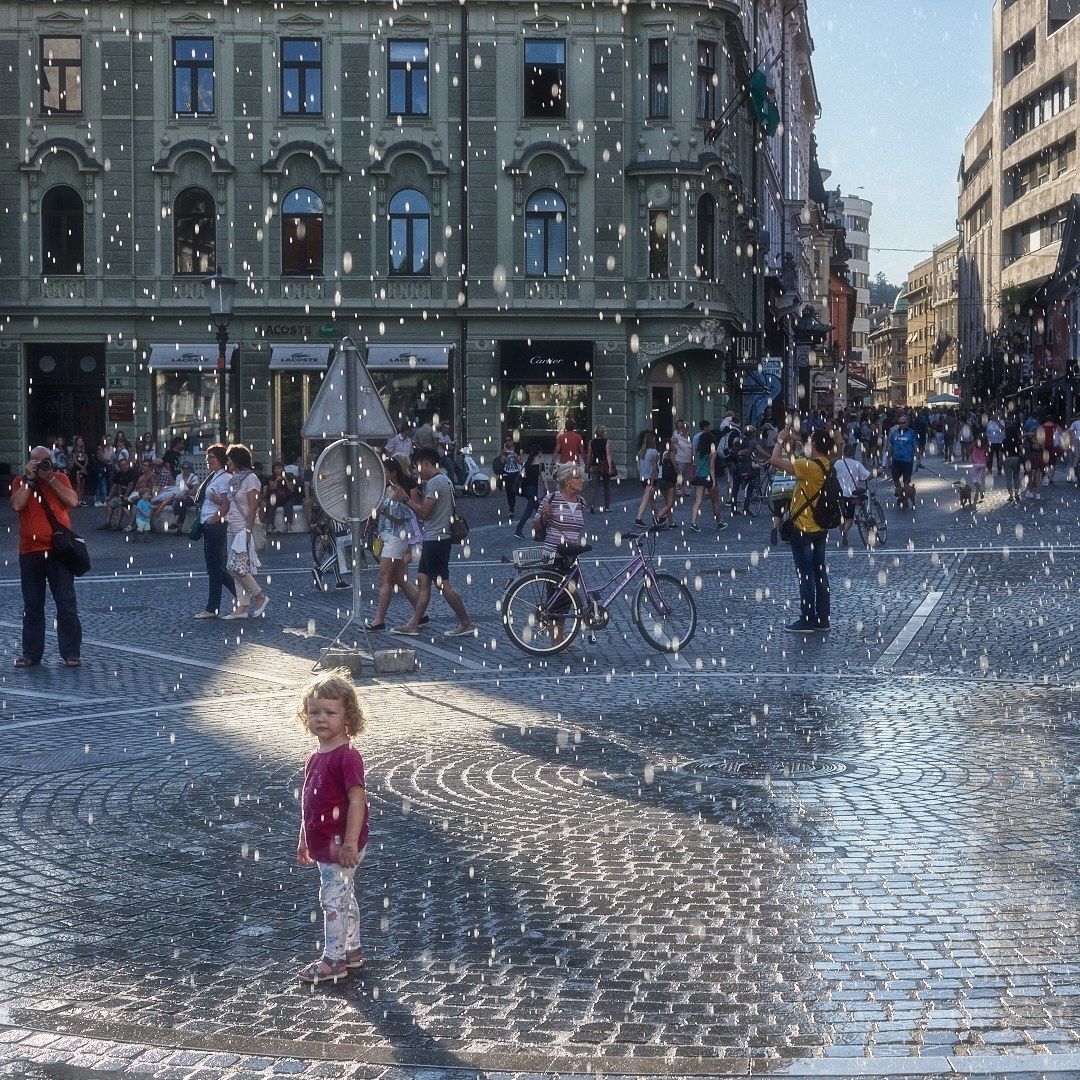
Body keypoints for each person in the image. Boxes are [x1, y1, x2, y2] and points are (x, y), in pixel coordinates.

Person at [295, 668, 369, 985]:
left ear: (348, 716)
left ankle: (333, 958)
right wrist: (304, 839)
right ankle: (351, 950)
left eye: (330, 712)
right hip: (324, 843)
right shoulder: (315, 756)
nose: (321, 719)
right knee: (343, 897)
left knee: (333, 900)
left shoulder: (347, 757)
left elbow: (357, 801)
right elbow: (309, 803)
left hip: (341, 844)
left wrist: (351, 843)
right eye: (314, 713)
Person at [11, 447, 83, 668]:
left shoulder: (59, 478)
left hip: (58, 551)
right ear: (30, 463)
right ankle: (31, 654)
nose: (43, 465)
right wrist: (30, 479)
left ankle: (71, 653)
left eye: (47, 462)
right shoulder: (20, 481)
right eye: (39, 462)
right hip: (30, 552)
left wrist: (50, 479)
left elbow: (73, 501)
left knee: (66, 602)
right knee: (32, 604)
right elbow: (17, 504)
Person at [393, 448, 475, 638]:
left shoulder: (436, 482)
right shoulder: (443, 480)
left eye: (418, 466)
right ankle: (414, 623)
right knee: (423, 581)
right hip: (434, 537)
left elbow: (423, 513)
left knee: (442, 584)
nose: (417, 471)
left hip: (436, 539)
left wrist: (405, 499)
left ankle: (466, 622)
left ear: (426, 463)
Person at [771, 427, 833, 633]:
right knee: (820, 574)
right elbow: (801, 462)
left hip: (803, 529)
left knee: (806, 576)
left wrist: (780, 441)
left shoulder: (809, 467)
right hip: (820, 528)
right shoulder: (825, 465)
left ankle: (807, 618)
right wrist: (797, 443)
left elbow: (775, 461)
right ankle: (823, 618)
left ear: (814, 445)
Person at [366, 459, 422, 632]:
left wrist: (382, 510)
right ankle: (421, 613)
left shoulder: (399, 491)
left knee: (384, 579)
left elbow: (402, 516)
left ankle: (379, 620)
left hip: (396, 537)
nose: (382, 474)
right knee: (399, 579)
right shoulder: (386, 489)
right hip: (387, 535)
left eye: (385, 471)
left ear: (393, 472)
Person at [221, 443, 270, 620]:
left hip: (243, 529)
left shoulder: (251, 479)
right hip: (232, 528)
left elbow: (253, 507)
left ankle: (260, 597)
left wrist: (248, 532)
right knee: (237, 568)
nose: (227, 462)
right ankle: (242, 607)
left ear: (236, 460)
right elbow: (231, 503)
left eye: (229, 458)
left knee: (234, 568)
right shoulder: (233, 479)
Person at [193, 444, 237, 618]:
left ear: (220, 459)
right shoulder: (214, 477)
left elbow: (226, 506)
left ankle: (212, 609)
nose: (208, 460)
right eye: (207, 457)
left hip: (215, 527)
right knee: (215, 568)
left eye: (211, 457)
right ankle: (246, 595)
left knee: (214, 569)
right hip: (209, 525)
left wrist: (213, 520)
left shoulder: (225, 478)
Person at [835, 444, 871, 548]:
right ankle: (845, 532)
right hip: (852, 495)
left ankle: (842, 533)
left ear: (843, 453)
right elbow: (867, 476)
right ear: (854, 453)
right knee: (850, 517)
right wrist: (877, 472)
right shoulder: (857, 464)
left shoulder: (838, 463)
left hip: (840, 494)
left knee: (841, 517)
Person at [97, 457, 136, 531]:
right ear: (119, 466)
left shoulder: (132, 472)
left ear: (128, 464)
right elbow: (114, 486)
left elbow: (131, 486)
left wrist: (124, 497)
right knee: (109, 503)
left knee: (121, 503)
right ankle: (108, 522)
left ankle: (117, 524)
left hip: (132, 496)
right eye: (121, 465)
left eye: (125, 464)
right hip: (122, 496)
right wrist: (109, 496)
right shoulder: (119, 474)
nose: (124, 466)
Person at [514, 445, 545, 538]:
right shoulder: (540, 465)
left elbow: (523, 477)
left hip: (527, 490)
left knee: (539, 511)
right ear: (539, 452)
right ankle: (518, 530)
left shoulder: (527, 464)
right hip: (533, 491)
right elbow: (543, 479)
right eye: (540, 452)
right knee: (534, 512)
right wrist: (547, 489)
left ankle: (542, 531)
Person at [887, 414, 918, 501]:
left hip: (908, 461)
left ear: (907, 423)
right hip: (896, 460)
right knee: (895, 479)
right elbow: (891, 446)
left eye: (903, 423)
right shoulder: (895, 433)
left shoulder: (911, 433)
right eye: (900, 423)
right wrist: (888, 458)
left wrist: (918, 459)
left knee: (906, 481)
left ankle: (905, 497)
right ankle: (901, 493)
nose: (901, 424)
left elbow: (916, 446)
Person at [634, 432, 660, 527]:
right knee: (646, 499)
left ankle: (659, 516)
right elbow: (654, 469)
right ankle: (638, 518)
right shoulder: (654, 452)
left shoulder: (640, 452)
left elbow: (638, 467)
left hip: (643, 477)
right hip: (650, 477)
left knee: (651, 499)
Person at [587, 425, 613, 512]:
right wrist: (610, 467)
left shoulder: (591, 442)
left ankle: (591, 506)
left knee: (594, 487)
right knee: (607, 487)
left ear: (596, 432)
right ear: (604, 432)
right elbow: (608, 454)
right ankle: (607, 507)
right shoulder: (607, 441)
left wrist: (588, 467)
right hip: (605, 466)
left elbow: (589, 456)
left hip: (595, 466)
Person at [494, 437, 524, 515]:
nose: (508, 442)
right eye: (506, 440)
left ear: (513, 440)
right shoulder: (505, 451)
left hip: (515, 473)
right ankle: (511, 509)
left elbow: (521, 463)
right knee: (508, 492)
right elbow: (502, 461)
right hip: (507, 473)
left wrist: (516, 458)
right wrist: (504, 452)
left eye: (509, 440)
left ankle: (512, 508)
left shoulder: (518, 450)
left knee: (513, 491)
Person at [1002, 416, 1024, 503]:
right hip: (1016, 458)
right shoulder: (1017, 440)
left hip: (1007, 459)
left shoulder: (1005, 440)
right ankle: (1017, 493)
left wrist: (1000, 460)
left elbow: (1002, 451)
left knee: (1008, 478)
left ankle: (1010, 494)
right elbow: (1022, 449)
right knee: (1016, 477)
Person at [67, 435, 90, 506]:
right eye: (79, 441)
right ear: (76, 442)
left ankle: (81, 499)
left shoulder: (84, 451)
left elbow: (86, 460)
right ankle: (78, 499)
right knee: (78, 484)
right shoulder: (74, 451)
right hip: (77, 467)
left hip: (83, 467)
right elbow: (75, 461)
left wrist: (84, 467)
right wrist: (81, 468)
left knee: (83, 484)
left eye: (81, 441)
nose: (80, 442)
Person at [672, 419, 695, 484]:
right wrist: (674, 450)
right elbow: (671, 443)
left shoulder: (689, 438)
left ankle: (687, 490)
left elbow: (692, 447)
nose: (685, 430)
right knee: (680, 475)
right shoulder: (677, 437)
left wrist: (693, 458)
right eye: (683, 428)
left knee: (688, 476)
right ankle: (679, 490)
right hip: (680, 459)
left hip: (688, 459)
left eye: (686, 428)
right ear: (681, 429)